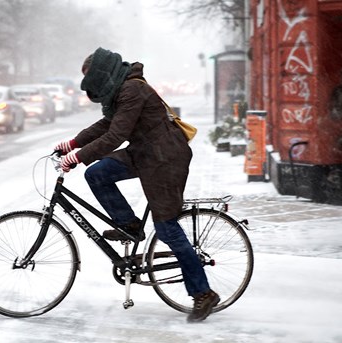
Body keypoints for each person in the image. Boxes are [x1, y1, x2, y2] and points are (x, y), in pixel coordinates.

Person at [54, 47, 220, 322]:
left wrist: (78, 156)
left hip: (165, 157)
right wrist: (74, 143)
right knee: (96, 174)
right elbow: (107, 125)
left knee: (166, 227)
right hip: (144, 152)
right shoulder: (121, 90)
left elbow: (116, 135)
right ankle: (129, 225)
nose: (93, 87)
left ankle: (203, 293)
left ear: (103, 73)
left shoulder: (132, 90)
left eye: (93, 79)